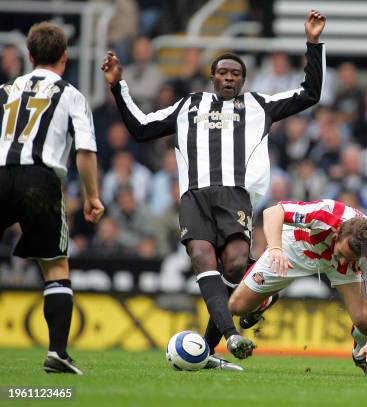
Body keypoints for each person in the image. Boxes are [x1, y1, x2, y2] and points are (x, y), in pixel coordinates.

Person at [101, 10, 327, 370]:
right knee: (203, 259)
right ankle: (230, 335)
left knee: (236, 266)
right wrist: (118, 86)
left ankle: (242, 314)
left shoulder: (259, 105)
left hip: (235, 196)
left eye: (235, 74)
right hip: (194, 196)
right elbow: (141, 128)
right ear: (212, 77)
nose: (229, 77)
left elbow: (310, 93)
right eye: (223, 72)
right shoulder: (188, 104)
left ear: (243, 80)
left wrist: (313, 43)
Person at [0, 22, 104, 374]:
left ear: (29, 56)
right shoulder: (71, 94)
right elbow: (86, 151)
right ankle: (57, 352)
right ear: (65, 56)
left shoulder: (9, 88)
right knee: (55, 266)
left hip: (1, 172)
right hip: (40, 180)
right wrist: (92, 196)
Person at [228, 199, 367, 377]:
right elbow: (272, 212)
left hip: (340, 268)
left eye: (350, 257)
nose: (343, 260)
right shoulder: (327, 212)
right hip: (296, 247)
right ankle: (263, 302)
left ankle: (363, 354)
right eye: (343, 253)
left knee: (366, 320)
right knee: (237, 306)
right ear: (337, 233)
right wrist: (275, 248)